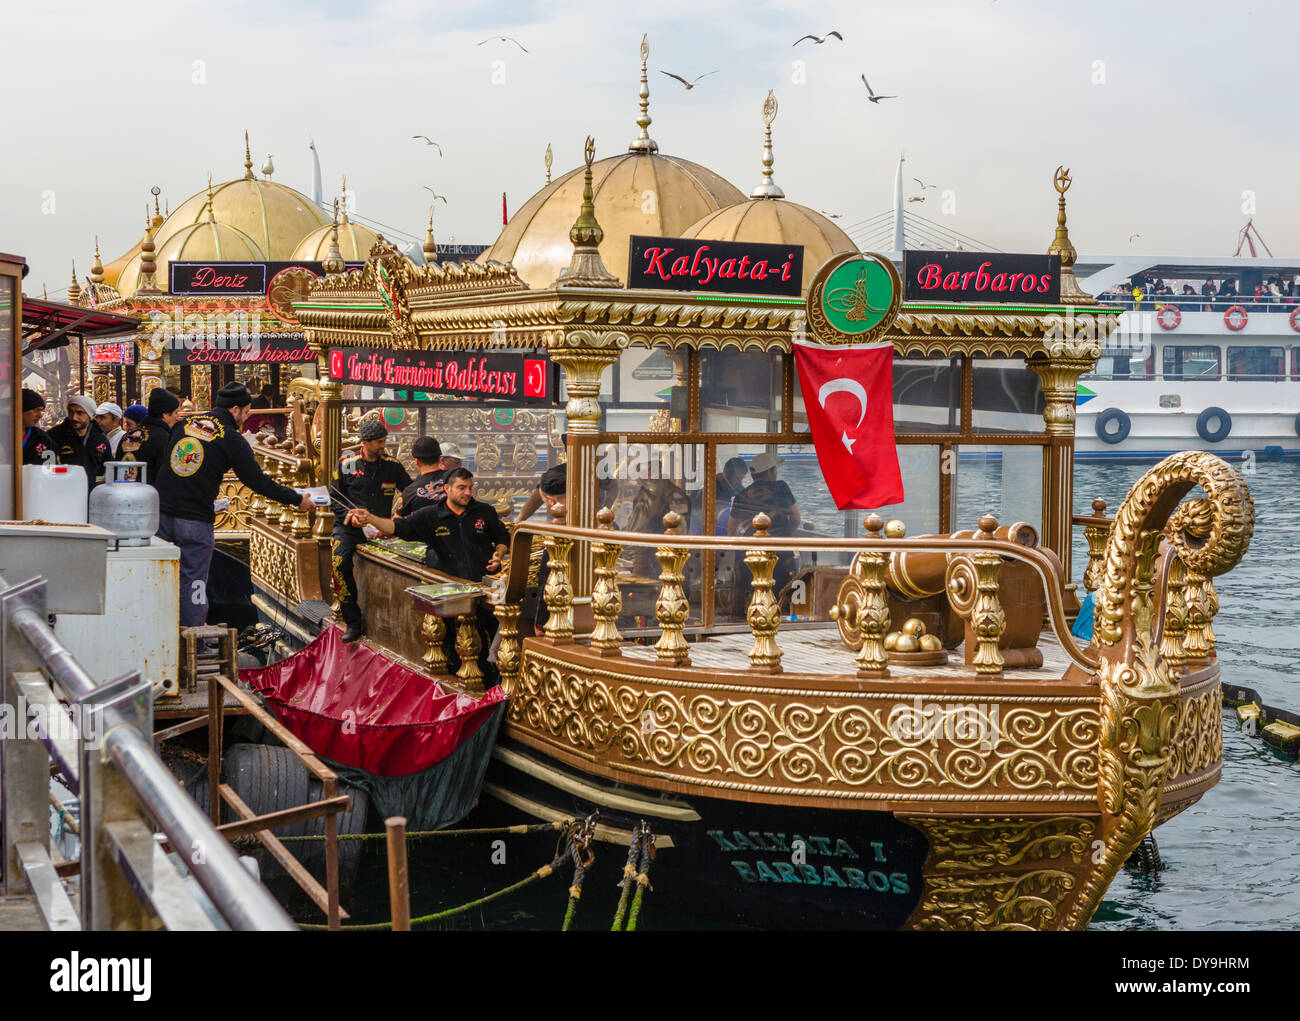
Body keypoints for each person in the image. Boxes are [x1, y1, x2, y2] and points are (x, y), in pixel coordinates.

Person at [155, 381, 313, 629]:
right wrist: (296, 499)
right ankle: (193, 637)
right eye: (247, 411)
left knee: (160, 572)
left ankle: (159, 629)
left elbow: (167, 460)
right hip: (194, 519)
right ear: (236, 409)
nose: (247, 416)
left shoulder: (185, 424)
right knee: (193, 579)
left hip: (160, 512)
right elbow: (257, 482)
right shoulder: (231, 438)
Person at [350, 468, 509, 673]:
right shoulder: (431, 516)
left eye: (470, 488)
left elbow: (503, 537)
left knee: (489, 646)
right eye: (461, 488)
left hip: (483, 589)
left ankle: (490, 680)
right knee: (456, 647)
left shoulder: (484, 511)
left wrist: (499, 553)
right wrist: (371, 518)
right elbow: (397, 527)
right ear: (447, 489)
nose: (467, 493)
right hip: (450, 593)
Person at [329, 419, 412, 642]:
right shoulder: (347, 463)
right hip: (349, 528)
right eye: (378, 442)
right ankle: (353, 621)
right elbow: (333, 498)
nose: (382, 446)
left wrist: (397, 519)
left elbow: (411, 494)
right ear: (364, 443)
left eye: (384, 441)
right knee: (338, 563)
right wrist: (350, 517)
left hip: (382, 528)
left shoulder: (393, 465)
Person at [121, 388, 184, 486]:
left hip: (122, 495)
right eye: (176, 413)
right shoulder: (164, 438)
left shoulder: (127, 436)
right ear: (166, 415)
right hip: (150, 498)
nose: (177, 417)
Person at [47, 395, 112, 487]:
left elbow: (106, 470)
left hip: (92, 495)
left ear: (90, 415)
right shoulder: (54, 436)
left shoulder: (100, 440)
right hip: (62, 492)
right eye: (71, 412)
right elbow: (46, 469)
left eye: (79, 413)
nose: (74, 417)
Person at [394, 436, 444, 516]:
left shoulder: (410, 491)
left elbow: (397, 523)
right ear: (440, 459)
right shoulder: (454, 480)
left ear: (416, 461)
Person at [21, 388, 55, 466]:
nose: (40, 415)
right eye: (35, 410)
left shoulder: (43, 439)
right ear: (21, 409)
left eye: (41, 411)